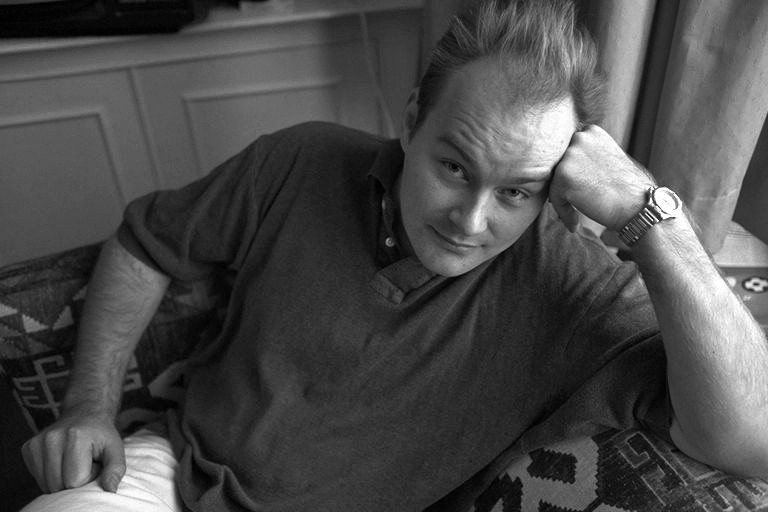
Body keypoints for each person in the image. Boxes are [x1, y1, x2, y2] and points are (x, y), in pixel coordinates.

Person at [21, 0, 768, 511]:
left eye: (517, 191)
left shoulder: (571, 282)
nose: (470, 220)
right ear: (412, 121)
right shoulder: (301, 160)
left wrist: (650, 215)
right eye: (454, 167)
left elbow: (750, 440)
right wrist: (88, 409)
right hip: (172, 472)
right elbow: (145, 243)